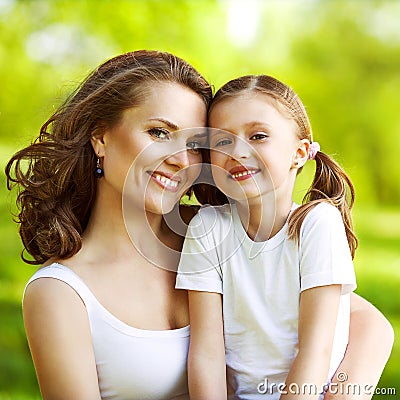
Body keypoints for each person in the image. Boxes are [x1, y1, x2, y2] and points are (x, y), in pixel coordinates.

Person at [5, 53, 393, 400]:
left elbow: (368, 325)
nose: (180, 159)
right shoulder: (61, 293)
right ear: (100, 137)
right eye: (159, 132)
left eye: (195, 145)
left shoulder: (219, 233)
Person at [176, 74, 394, 399]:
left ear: (300, 152)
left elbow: (315, 352)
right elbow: (206, 352)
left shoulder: (317, 224)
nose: (237, 150)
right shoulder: (207, 228)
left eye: (258, 135)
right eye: (222, 141)